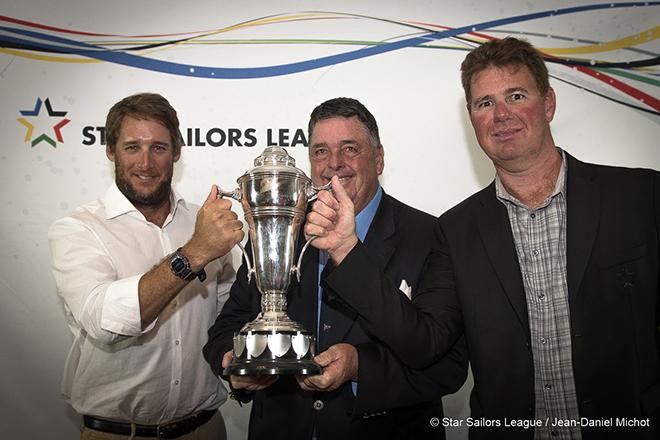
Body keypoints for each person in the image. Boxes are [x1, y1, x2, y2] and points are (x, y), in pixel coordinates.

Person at [305, 38, 660, 440]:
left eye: (516, 95)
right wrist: (345, 249)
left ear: (548, 104)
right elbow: (424, 344)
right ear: (472, 118)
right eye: (484, 103)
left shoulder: (641, 197)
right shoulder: (456, 230)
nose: (501, 115)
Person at [203, 97, 468, 439]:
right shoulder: (280, 229)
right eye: (320, 152)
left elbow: (448, 366)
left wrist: (360, 367)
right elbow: (228, 325)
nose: (334, 164)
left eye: (350, 149)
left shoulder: (430, 236)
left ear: (380, 157)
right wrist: (234, 364)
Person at [48, 92, 244, 439]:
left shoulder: (204, 222)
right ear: (110, 151)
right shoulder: (78, 229)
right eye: (132, 147)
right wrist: (193, 254)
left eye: (158, 147)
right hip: (118, 434)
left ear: (177, 152)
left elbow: (230, 318)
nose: (146, 163)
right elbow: (103, 321)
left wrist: (239, 361)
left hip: (205, 428)